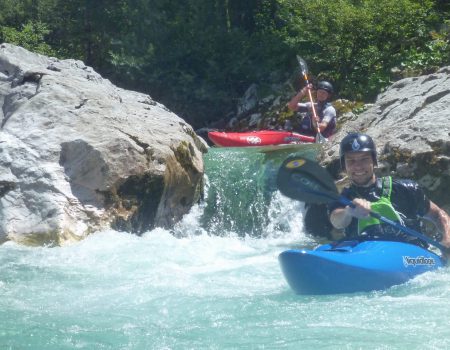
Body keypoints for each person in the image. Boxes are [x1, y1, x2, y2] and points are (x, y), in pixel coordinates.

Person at [328, 132, 450, 248]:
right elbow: (336, 221)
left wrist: (447, 238)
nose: (358, 166)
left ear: (374, 161)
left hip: (414, 258)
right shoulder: (343, 199)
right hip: (365, 254)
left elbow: (438, 214)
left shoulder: (406, 189)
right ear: (344, 165)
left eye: (364, 159)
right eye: (351, 160)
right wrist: (349, 212)